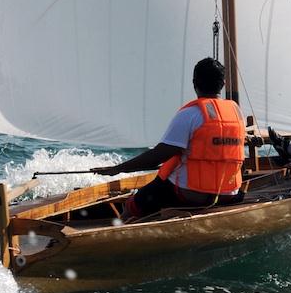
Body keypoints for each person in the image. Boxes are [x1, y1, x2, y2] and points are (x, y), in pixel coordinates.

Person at [90, 57, 246, 221]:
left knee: (137, 201)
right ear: (223, 83)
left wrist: (119, 168)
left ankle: (119, 230)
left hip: (192, 195)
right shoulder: (237, 114)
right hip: (229, 193)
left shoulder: (190, 115)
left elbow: (158, 156)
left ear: (194, 83)